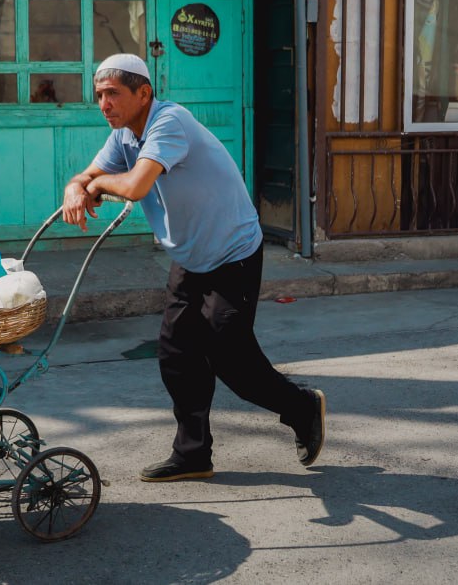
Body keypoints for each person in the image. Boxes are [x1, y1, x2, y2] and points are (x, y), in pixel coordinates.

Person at [61, 53, 326, 482]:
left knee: (231, 358)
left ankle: (301, 407)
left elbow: (133, 186)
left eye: (112, 94)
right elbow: (85, 175)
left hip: (233, 253)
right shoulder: (124, 136)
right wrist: (77, 188)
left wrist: (95, 184)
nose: (103, 104)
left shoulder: (170, 122)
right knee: (176, 354)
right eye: (99, 95)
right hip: (189, 257)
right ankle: (192, 454)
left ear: (143, 93)